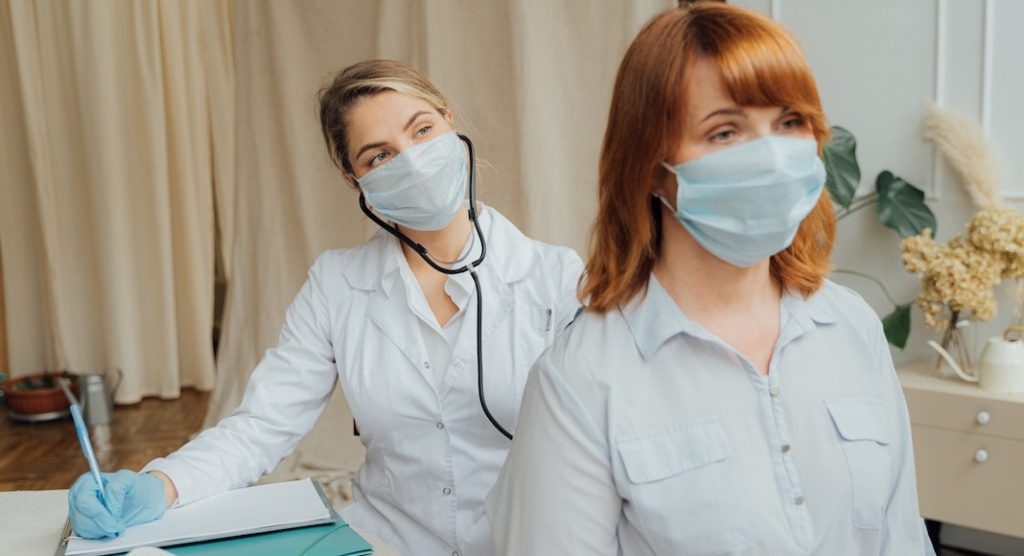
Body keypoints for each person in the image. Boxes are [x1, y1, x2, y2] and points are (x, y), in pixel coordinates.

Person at [68, 59, 583, 556]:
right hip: (386, 545)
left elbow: (595, 449)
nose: (411, 160)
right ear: (352, 177)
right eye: (378, 155)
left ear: (449, 122)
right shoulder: (336, 284)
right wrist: (161, 484)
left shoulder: (556, 279)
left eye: (422, 130)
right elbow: (263, 425)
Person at [487, 4, 935, 555]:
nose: (772, 156)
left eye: (789, 122)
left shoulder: (851, 326)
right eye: (725, 132)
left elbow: (901, 539)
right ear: (651, 168)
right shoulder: (580, 380)